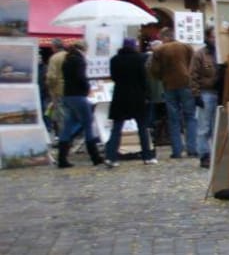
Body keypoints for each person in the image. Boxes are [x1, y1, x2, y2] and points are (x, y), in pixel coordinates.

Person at [104, 38, 155, 167]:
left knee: (116, 129)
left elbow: (114, 77)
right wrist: (147, 94)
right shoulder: (139, 59)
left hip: (120, 96)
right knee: (142, 128)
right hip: (137, 96)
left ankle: (111, 157)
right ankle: (147, 156)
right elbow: (143, 79)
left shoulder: (114, 60)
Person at [150, 28, 197, 159]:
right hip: (186, 84)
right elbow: (194, 65)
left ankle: (177, 150)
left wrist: (162, 77)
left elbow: (154, 70)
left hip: (169, 85)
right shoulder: (186, 47)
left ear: (164, 37)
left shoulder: (160, 50)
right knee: (190, 117)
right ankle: (192, 148)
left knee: (174, 119)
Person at [56, 40, 104, 168]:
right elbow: (81, 77)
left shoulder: (67, 60)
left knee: (68, 126)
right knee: (88, 124)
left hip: (68, 95)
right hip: (79, 95)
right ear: (84, 49)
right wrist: (87, 87)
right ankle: (95, 156)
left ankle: (62, 158)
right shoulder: (79, 60)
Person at [190, 27, 221, 169]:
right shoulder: (200, 54)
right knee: (204, 127)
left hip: (220, 93)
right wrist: (196, 94)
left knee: (217, 126)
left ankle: (216, 154)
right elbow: (193, 75)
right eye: (212, 37)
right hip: (206, 92)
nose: (215, 39)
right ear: (207, 38)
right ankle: (204, 155)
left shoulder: (221, 53)